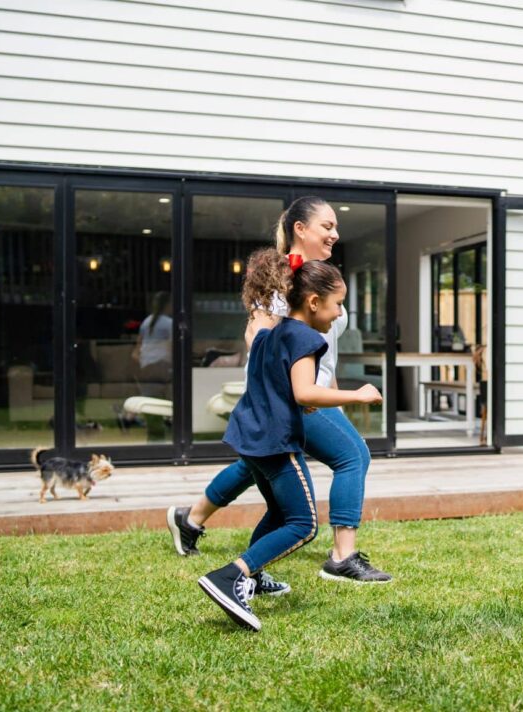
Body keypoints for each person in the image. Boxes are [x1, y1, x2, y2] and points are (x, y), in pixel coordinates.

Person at [168, 196, 392, 589]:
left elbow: (327, 354)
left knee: (258, 465)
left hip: (313, 391)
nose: (335, 233)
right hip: (292, 397)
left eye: (336, 226)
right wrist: (287, 394)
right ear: (299, 229)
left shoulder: (319, 278)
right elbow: (258, 336)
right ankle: (342, 557)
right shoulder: (279, 279)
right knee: (352, 456)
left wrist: (335, 395)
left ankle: (191, 519)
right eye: (327, 226)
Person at [199, 260, 382, 631]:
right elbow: (303, 391)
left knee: (281, 513)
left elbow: (274, 380)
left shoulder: (274, 331)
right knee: (303, 524)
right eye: (336, 304)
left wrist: (302, 397)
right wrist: (358, 395)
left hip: (248, 435)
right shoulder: (307, 339)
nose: (339, 314)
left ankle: (250, 577)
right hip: (275, 441)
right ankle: (231, 576)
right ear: (314, 302)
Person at [133, 291, 172, 397]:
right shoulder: (169, 323)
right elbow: (171, 348)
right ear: (168, 305)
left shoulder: (146, 322)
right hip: (162, 367)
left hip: (145, 367)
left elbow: (137, 349)